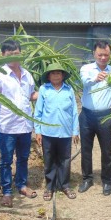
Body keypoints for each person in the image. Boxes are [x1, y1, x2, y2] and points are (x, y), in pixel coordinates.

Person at [0, 40, 38, 208]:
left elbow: (31, 95)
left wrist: (47, 92)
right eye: (9, 55)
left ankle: (22, 185)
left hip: (24, 125)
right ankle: (7, 192)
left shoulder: (27, 75)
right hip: (7, 126)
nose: (13, 57)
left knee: (23, 158)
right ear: (2, 55)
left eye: (16, 53)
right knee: (6, 161)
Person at [78, 40, 111, 196]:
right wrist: (96, 78)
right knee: (86, 149)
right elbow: (84, 82)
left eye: (106, 55)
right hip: (87, 115)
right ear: (94, 54)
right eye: (100, 54)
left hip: (105, 115)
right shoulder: (86, 69)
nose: (103, 58)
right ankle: (87, 179)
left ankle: (107, 181)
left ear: (110, 55)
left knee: (107, 150)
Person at [34, 63, 79, 201]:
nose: (55, 75)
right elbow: (38, 112)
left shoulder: (68, 90)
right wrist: (38, 131)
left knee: (65, 159)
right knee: (49, 159)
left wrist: (75, 131)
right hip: (48, 132)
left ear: (63, 76)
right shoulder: (44, 89)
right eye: (52, 73)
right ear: (48, 76)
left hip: (65, 131)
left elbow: (74, 111)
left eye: (58, 73)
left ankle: (65, 185)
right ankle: (50, 186)